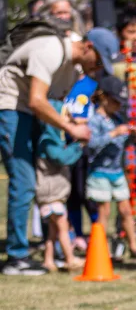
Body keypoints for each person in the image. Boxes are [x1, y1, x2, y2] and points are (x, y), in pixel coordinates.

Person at [1, 24, 113, 275]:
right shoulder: (51, 49)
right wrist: (72, 130)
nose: (98, 69)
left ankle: (38, 248)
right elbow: (37, 100)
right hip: (9, 105)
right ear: (88, 46)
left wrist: (75, 124)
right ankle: (16, 257)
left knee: (33, 180)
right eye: (98, 61)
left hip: (30, 113)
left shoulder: (72, 71)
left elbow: (56, 106)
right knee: (24, 179)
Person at [86, 76, 136, 260]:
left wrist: (132, 135)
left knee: (126, 211)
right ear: (104, 97)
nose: (119, 106)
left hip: (117, 172)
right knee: (104, 212)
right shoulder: (95, 120)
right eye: (116, 101)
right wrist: (113, 133)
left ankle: (134, 246)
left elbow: (123, 143)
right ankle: (102, 250)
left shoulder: (116, 118)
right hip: (100, 173)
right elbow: (92, 145)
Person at [35, 98, 84, 272]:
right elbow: (60, 158)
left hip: (54, 195)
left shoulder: (51, 140)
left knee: (53, 232)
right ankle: (69, 258)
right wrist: (79, 146)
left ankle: (48, 260)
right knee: (63, 227)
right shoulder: (48, 141)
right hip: (51, 195)